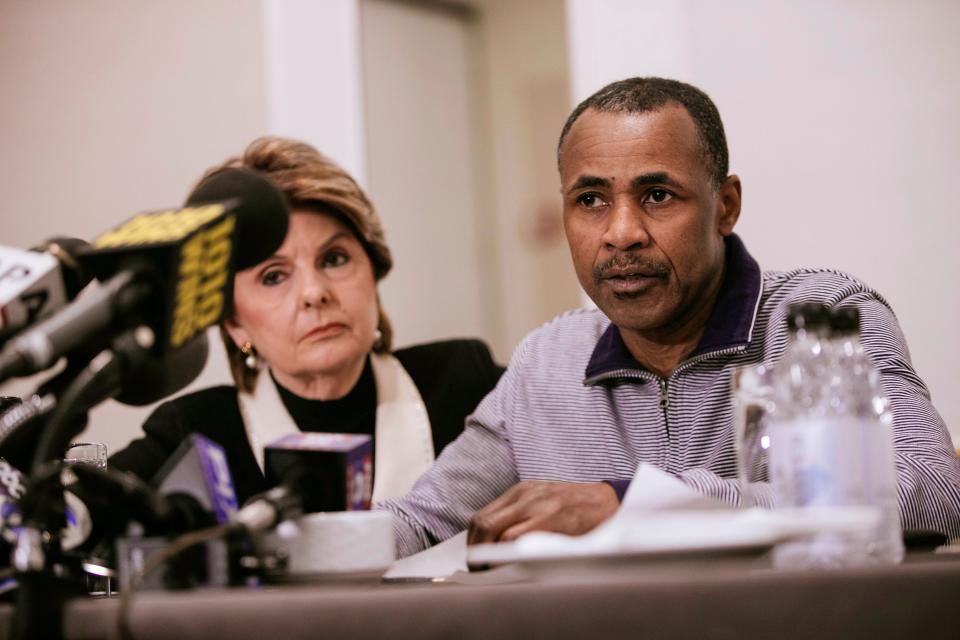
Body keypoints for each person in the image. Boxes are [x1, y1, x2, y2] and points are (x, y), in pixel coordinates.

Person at [380, 77, 960, 557]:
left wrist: (637, 502)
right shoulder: (547, 362)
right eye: (590, 200)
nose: (621, 233)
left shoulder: (822, 320)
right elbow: (424, 520)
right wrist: (307, 532)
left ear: (725, 206)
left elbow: (929, 492)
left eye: (657, 195)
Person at [111, 137, 504, 504]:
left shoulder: (468, 386)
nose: (314, 293)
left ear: (373, 271)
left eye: (334, 259)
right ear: (234, 323)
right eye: (273, 276)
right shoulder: (193, 434)